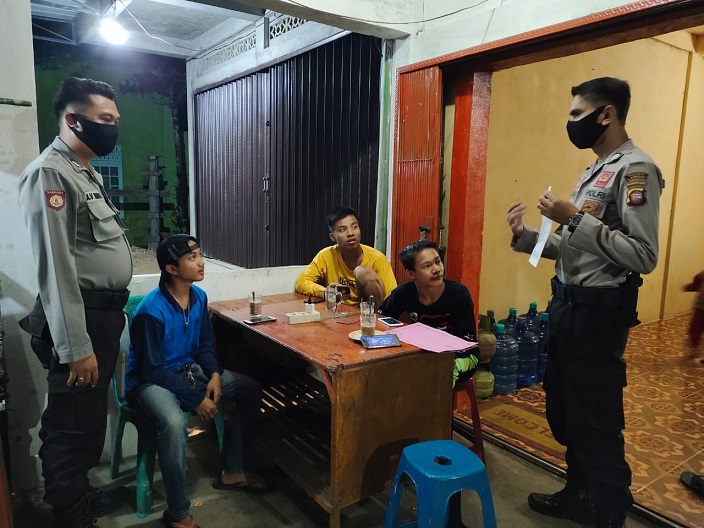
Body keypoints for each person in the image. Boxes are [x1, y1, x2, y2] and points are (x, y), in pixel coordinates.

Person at [506, 77, 664, 528]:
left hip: (598, 315)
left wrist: (573, 217)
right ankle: (578, 495)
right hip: (567, 308)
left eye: (577, 114)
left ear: (607, 114)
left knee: (595, 418)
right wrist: (526, 236)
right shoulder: (594, 171)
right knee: (566, 410)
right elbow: (572, 246)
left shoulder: (637, 170)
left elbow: (644, 254)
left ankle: (608, 511)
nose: (571, 122)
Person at [18, 77, 132, 528]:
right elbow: (56, 268)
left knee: (85, 420)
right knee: (72, 424)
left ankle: (77, 495)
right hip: (80, 318)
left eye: (115, 119)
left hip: (101, 316)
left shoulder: (84, 171)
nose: (113, 127)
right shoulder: (52, 173)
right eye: (104, 119)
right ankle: (69, 515)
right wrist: (75, 347)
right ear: (73, 120)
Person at [125, 235, 265, 528]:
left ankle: (233, 471)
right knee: (174, 423)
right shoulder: (151, 311)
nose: (201, 262)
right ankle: (179, 514)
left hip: (189, 371)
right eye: (192, 258)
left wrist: (213, 374)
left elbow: (204, 344)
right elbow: (151, 369)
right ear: (171, 269)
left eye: (200, 255)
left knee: (249, 389)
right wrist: (195, 398)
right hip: (150, 382)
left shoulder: (198, 297)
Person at [379, 239, 478, 387]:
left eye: (438, 262)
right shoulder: (404, 293)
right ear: (411, 273)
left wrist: (441, 358)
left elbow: (466, 342)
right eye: (427, 266)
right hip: (423, 354)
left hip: (461, 357)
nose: (437, 269)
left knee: (442, 371)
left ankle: (439, 403)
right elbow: (382, 318)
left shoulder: (458, 294)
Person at [295, 206, 397, 305]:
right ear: (332, 237)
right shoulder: (326, 256)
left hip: (370, 313)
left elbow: (392, 297)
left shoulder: (377, 258)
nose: (350, 233)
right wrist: (327, 292)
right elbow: (302, 282)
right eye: (342, 230)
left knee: (362, 272)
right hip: (339, 311)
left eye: (354, 227)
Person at [683, 270, 704, 360]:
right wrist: (689, 287)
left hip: (700, 307)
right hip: (701, 307)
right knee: (694, 328)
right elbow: (697, 282)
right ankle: (694, 349)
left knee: (695, 328)